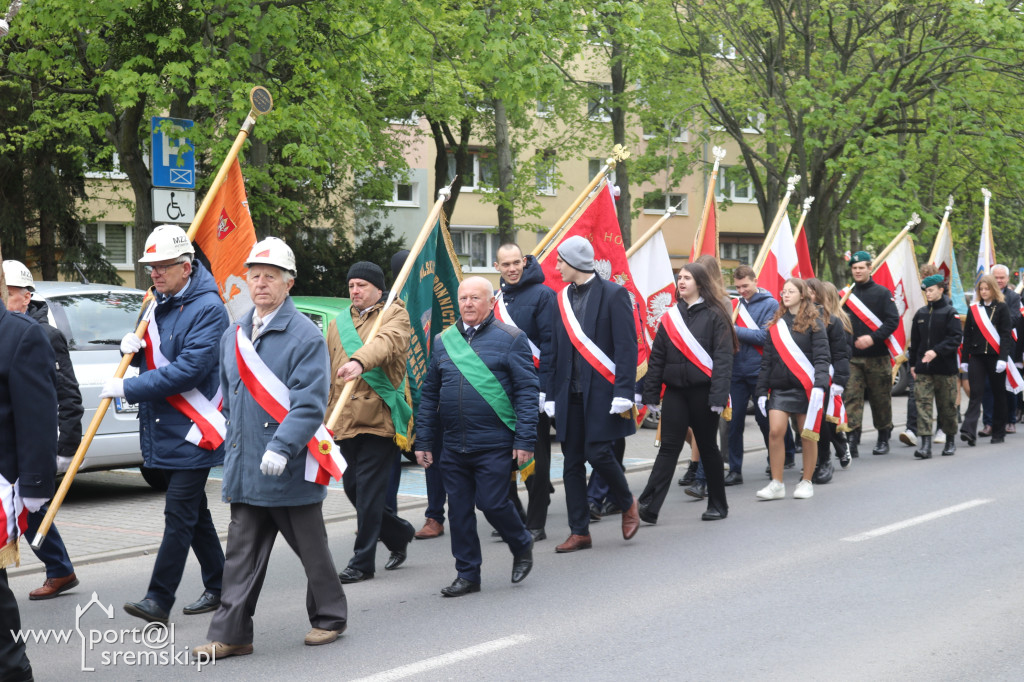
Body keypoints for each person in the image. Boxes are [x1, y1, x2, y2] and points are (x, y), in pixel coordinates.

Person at [195, 237, 347, 660]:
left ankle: (330, 618)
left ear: (288, 283)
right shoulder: (235, 333)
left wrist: (281, 446)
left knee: (312, 552)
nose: (260, 284)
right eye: (255, 276)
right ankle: (232, 634)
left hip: (288, 467)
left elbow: (310, 402)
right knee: (239, 558)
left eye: (270, 277)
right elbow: (231, 396)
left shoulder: (304, 336)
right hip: (247, 466)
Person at [100, 225, 228, 624]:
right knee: (194, 513)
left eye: (162, 267)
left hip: (196, 427)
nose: (154, 274)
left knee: (178, 514)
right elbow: (156, 356)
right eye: (150, 267)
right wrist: (132, 352)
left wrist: (128, 386)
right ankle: (222, 584)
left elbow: (188, 370)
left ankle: (158, 599)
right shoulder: (156, 302)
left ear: (186, 267)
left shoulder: (210, 309)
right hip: (165, 424)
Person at [414, 276, 538, 597]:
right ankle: (467, 574)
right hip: (453, 444)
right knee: (458, 511)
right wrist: (424, 440)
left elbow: (527, 391)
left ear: (491, 301)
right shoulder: (444, 341)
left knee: (493, 503)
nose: (468, 304)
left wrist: (525, 440)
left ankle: (521, 541)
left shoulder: (512, 338)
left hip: (495, 442)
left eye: (475, 298)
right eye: (463, 298)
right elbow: (429, 395)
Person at [549, 235, 640, 552]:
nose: (557, 266)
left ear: (574, 262)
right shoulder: (560, 299)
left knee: (598, 453)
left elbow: (627, 347)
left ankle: (627, 502)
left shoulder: (614, 295)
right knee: (571, 462)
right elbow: (553, 350)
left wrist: (624, 391)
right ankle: (579, 531)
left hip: (603, 393)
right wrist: (548, 394)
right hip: (568, 394)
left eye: (561, 260)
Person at [328, 262, 415, 584]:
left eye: (362, 285)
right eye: (351, 285)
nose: (355, 291)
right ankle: (399, 531)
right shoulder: (338, 323)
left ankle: (362, 562)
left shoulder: (394, 314)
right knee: (353, 486)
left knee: (367, 491)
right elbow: (329, 371)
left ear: (379, 289)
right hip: (345, 418)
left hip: (379, 416)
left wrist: (358, 362)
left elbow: (388, 343)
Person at [3, 260, 82, 600]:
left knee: (31, 506)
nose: (6, 299)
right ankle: (60, 567)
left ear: (26, 296)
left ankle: (60, 568)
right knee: (31, 511)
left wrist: (65, 448)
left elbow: (66, 396)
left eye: (10, 293)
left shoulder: (42, 335)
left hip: (32, 447)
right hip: (13, 447)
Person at [638, 263, 736, 522]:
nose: (681, 282)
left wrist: (718, 397)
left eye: (687, 278)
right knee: (668, 448)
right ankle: (648, 506)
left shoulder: (716, 315)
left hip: (704, 393)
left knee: (707, 447)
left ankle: (718, 504)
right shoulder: (670, 317)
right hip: (675, 392)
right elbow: (657, 357)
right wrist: (650, 394)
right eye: (679, 278)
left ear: (700, 283)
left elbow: (724, 359)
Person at [0, 297, 58, 682]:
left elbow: (37, 415)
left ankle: (12, 670)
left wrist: (36, 484)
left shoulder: (21, 335)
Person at [493, 243, 556, 542]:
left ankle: (536, 521)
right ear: (497, 267)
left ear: (525, 262)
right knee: (502, 456)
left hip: (533, 390)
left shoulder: (543, 295)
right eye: (505, 264)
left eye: (516, 262)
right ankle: (514, 515)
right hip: (501, 392)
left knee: (537, 457)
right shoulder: (496, 299)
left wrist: (544, 388)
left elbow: (550, 345)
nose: (512, 269)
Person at [755, 278, 831, 500]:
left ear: (802, 295)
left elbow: (822, 357)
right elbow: (766, 361)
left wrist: (819, 385)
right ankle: (777, 484)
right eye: (783, 291)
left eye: (791, 291)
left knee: (807, 435)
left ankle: (806, 481)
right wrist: (761, 390)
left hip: (806, 388)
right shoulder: (775, 325)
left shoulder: (815, 323)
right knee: (775, 431)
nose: (785, 295)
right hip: (780, 389)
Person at [725, 264, 781, 486]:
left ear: (755, 281)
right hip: (735, 371)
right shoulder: (734, 304)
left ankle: (774, 460)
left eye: (745, 286)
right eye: (738, 287)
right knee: (734, 422)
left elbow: (764, 337)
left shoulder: (771, 304)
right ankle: (735, 469)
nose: (741, 291)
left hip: (760, 371)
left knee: (765, 419)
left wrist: (733, 329)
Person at [842, 251, 900, 457]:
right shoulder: (847, 295)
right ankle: (852, 438)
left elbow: (893, 321)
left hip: (877, 356)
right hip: (852, 358)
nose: (857, 271)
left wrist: (873, 338)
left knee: (880, 398)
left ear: (870, 269)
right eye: (854, 268)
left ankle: (883, 435)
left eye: (861, 268)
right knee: (851, 398)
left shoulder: (883, 293)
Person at [908, 274, 963, 458]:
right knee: (923, 405)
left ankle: (949, 440)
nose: (928, 294)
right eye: (926, 291)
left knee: (947, 406)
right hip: (924, 369)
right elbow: (915, 342)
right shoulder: (921, 314)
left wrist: (937, 351)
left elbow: (955, 338)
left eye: (931, 290)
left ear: (941, 289)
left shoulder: (950, 313)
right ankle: (925, 445)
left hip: (945, 369)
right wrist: (913, 364)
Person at [805, 278, 852, 483]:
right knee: (806, 421)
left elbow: (842, 354)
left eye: (811, 292)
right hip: (802, 378)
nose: (808, 296)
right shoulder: (794, 320)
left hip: (826, 376)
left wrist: (839, 381)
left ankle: (828, 457)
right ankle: (813, 459)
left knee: (823, 419)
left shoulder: (832, 321)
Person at [960, 274, 1012, 446]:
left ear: (993, 289)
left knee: (999, 394)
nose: (983, 292)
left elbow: (1005, 335)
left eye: (986, 288)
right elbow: (967, 335)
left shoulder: (1002, 308)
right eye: (981, 289)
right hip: (976, 357)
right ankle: (968, 431)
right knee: (976, 393)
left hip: (996, 357)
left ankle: (998, 432)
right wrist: (964, 358)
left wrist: (1003, 358)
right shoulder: (974, 308)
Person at [981, 264, 1022, 435]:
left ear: (1007, 279)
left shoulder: (1013, 297)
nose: (999, 281)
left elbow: (1014, 318)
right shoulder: (983, 297)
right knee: (987, 385)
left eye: (1002, 278)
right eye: (996, 278)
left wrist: (995, 324)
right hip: (986, 347)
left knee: (1007, 383)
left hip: (1006, 346)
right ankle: (988, 423)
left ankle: (1010, 419)